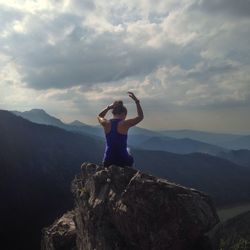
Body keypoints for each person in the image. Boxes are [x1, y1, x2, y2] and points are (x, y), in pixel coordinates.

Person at [97, 92, 144, 167]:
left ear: (113, 113)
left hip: (108, 161)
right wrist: (136, 101)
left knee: (126, 150)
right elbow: (140, 117)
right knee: (128, 151)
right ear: (124, 114)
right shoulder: (125, 123)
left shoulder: (106, 123)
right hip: (123, 161)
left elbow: (99, 116)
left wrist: (109, 107)